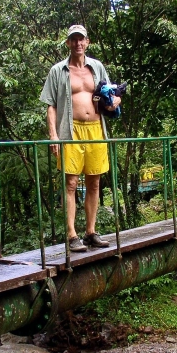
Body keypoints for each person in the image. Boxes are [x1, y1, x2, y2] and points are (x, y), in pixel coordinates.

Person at [40, 24, 121, 253]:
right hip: (70, 131)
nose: (77, 43)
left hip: (96, 129)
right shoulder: (58, 70)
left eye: (81, 39)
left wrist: (115, 102)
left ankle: (91, 232)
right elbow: (50, 105)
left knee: (95, 182)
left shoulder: (97, 67)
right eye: (73, 39)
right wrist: (54, 136)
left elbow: (113, 94)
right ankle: (71, 234)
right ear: (68, 43)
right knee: (71, 183)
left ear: (87, 42)